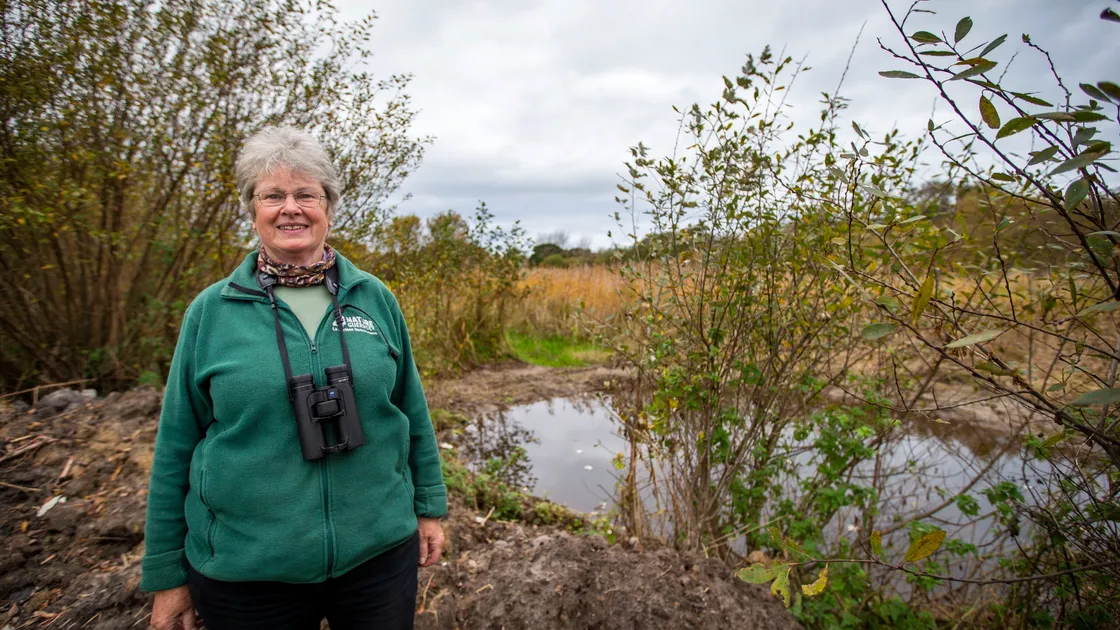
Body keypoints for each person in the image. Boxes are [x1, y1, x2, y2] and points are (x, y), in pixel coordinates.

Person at [141, 126, 447, 630]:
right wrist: (166, 573)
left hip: (378, 560)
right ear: (253, 210)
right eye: (273, 196)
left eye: (306, 194)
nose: (291, 208)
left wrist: (429, 508)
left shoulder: (373, 297)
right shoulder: (211, 313)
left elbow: (411, 409)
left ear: (328, 206)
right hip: (248, 573)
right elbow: (176, 444)